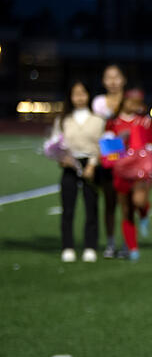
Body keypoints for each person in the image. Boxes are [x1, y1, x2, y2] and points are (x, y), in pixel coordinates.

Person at [105, 88, 152, 262]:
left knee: (139, 200)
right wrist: (118, 142)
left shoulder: (144, 122)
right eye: (131, 101)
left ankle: (144, 211)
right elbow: (108, 147)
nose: (135, 105)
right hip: (121, 171)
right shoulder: (113, 122)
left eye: (138, 102)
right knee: (126, 209)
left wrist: (148, 150)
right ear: (125, 101)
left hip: (139, 171)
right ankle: (132, 248)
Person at [52, 81, 105, 263]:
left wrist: (92, 165)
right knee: (68, 209)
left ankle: (90, 246)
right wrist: (62, 158)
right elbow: (55, 144)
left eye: (83, 93)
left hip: (90, 165)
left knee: (91, 208)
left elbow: (101, 145)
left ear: (88, 95)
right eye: (75, 94)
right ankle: (67, 247)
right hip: (69, 165)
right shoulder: (62, 120)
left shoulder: (98, 120)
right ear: (70, 96)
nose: (79, 97)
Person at [92, 64, 125, 258]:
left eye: (116, 77)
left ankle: (128, 244)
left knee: (127, 204)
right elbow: (97, 130)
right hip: (106, 158)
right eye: (108, 77)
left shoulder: (130, 101)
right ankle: (111, 243)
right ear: (103, 81)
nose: (113, 81)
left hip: (126, 160)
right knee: (109, 202)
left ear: (123, 79)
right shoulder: (98, 103)